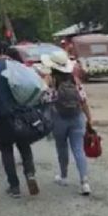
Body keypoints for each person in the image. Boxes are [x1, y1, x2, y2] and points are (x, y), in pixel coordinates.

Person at [0, 41, 39, 198]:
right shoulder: (14, 64)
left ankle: (14, 186)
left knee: (6, 150)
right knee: (24, 145)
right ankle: (30, 174)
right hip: (20, 112)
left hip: (1, 114)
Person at [41, 51, 94, 195]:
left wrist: (45, 86)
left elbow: (44, 99)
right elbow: (83, 101)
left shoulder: (51, 81)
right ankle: (84, 182)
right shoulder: (75, 80)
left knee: (62, 147)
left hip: (59, 119)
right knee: (78, 149)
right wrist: (89, 119)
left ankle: (63, 177)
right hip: (77, 117)